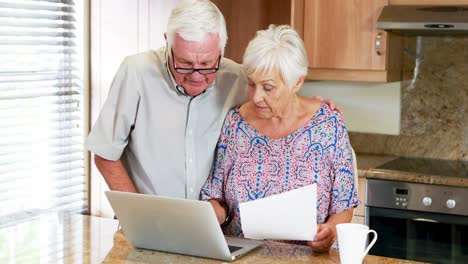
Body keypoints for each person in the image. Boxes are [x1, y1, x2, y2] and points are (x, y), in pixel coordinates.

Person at [86, 0, 336, 200]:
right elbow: (105, 153)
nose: (196, 76)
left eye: (207, 64)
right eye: (184, 63)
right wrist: (137, 216)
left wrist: (309, 107)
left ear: (222, 49)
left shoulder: (238, 80)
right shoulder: (136, 72)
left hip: (214, 227)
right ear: (167, 42)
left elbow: (275, 109)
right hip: (146, 224)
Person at [201, 25, 359, 252]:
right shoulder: (235, 123)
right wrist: (206, 215)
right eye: (252, 84)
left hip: (307, 257)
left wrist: (330, 231)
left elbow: (344, 205)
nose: (256, 97)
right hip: (243, 256)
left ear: (297, 82)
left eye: (268, 87)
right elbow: (217, 198)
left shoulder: (328, 124)